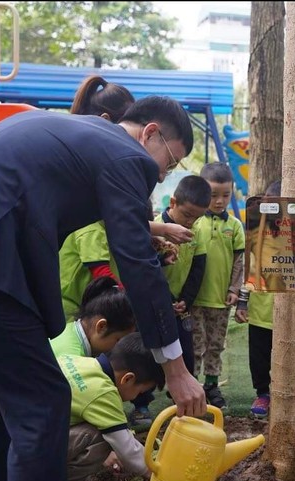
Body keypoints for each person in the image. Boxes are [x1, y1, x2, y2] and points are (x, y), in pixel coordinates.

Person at [0, 95, 206, 481]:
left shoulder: (86, 134)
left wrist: (146, 232)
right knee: (44, 401)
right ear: (150, 133)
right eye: (170, 162)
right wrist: (176, 368)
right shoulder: (128, 156)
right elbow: (137, 264)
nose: (160, 176)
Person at [59, 75, 192, 321]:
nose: (161, 177)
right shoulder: (88, 210)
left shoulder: (98, 193)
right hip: (76, 310)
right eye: (169, 163)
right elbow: (117, 262)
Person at [59, 332, 165, 481]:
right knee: (101, 438)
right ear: (128, 379)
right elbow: (127, 450)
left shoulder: (82, 361)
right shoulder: (104, 392)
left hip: (17, 433)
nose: (136, 397)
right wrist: (156, 474)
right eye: (141, 392)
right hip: (35, 448)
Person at [143, 174, 211, 416]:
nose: (191, 222)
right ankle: (142, 404)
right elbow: (146, 269)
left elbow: (198, 268)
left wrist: (186, 301)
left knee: (185, 354)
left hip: (181, 306)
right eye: (187, 215)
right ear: (173, 203)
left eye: (198, 217)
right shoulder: (153, 228)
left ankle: (184, 405)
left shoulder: (198, 231)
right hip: (155, 304)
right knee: (146, 354)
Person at [191, 163, 245, 410]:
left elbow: (239, 261)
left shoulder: (234, 226)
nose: (220, 201)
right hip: (194, 299)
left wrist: (234, 289)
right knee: (194, 345)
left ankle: (211, 385)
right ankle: (191, 384)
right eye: (213, 195)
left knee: (216, 344)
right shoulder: (193, 222)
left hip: (221, 300)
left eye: (226, 195)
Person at [235, 180, 282, 419]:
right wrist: (243, 301)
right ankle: (263, 393)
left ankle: (287, 394)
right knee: (260, 355)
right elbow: (248, 269)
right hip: (261, 311)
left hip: (290, 313)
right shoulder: (254, 234)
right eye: (270, 206)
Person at [51, 276, 136, 357]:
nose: (122, 349)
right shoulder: (74, 359)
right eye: (118, 341)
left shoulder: (68, 329)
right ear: (101, 326)